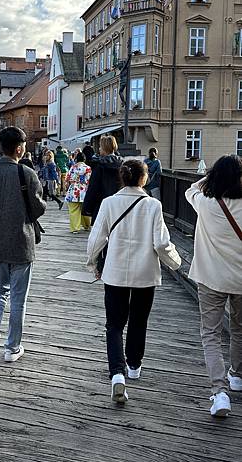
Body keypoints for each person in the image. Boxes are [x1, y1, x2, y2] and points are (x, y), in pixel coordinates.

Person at [87, 159, 181, 404]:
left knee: (114, 325)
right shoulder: (153, 205)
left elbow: (97, 238)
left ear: (122, 177)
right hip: (145, 272)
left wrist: (93, 263)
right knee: (139, 320)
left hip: (115, 271)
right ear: (143, 178)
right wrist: (176, 263)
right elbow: (161, 243)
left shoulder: (109, 203)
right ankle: (134, 366)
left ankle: (117, 374)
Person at [0, 126, 46, 366]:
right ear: (19, 149)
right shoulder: (27, 173)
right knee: (18, 298)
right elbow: (38, 207)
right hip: (21, 243)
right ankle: (12, 347)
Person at [185, 154, 242, 417]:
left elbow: (190, 189)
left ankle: (219, 392)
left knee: (211, 333)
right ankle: (237, 375)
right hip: (240, 279)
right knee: (239, 329)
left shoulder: (206, 203)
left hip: (211, 277)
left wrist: (209, 177)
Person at [82, 135, 123, 222]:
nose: (99, 149)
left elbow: (93, 187)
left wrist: (87, 208)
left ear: (104, 148)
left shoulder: (99, 165)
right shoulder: (121, 164)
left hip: (101, 203)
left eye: (100, 146)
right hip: (119, 204)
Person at [64, 152, 92, 233]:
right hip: (84, 190)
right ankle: (87, 225)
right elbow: (89, 180)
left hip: (73, 190)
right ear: (84, 159)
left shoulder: (73, 167)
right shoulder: (88, 168)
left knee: (73, 210)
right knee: (85, 209)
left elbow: (67, 179)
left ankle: (75, 228)